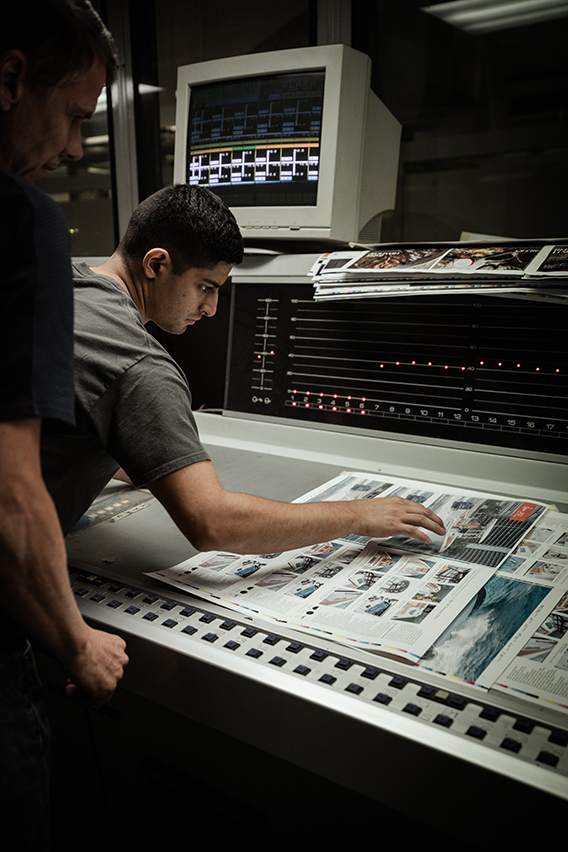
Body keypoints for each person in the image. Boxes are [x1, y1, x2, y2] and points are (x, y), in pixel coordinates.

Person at [41, 183, 446, 557]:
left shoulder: (59, 285)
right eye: (205, 286)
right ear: (155, 263)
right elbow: (213, 524)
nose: (211, 308)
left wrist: (159, 462)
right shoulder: (140, 366)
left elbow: (69, 417)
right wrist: (358, 515)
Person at [0, 3, 128, 848]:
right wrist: (75, 642)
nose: (78, 149)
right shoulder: (21, 222)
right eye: (77, 116)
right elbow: (10, 489)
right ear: (10, 80)